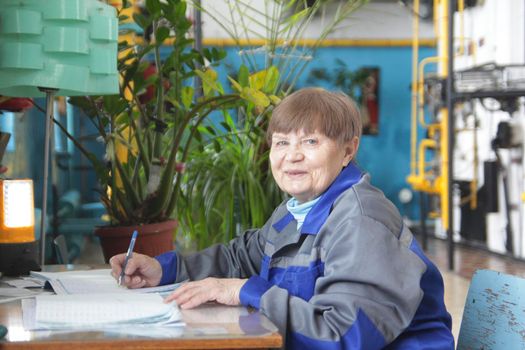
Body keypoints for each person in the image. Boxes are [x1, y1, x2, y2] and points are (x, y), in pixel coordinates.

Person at [110, 87, 454, 349]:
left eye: (310, 141)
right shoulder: (297, 209)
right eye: (281, 143)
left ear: (348, 150)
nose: (292, 156)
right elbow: (240, 256)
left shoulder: (360, 221)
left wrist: (248, 291)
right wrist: (165, 269)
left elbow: (345, 336)